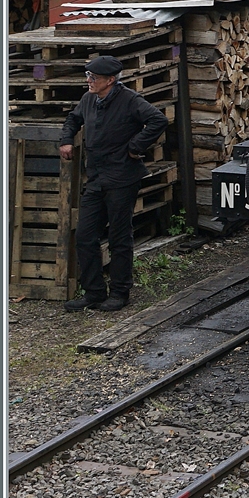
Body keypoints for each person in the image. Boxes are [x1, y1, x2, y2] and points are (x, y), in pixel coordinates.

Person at [58, 55, 169, 312]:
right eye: (88, 76)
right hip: (96, 178)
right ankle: (94, 292)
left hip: (122, 178)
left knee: (119, 237)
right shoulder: (89, 99)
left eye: (93, 77)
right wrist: (66, 140)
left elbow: (158, 120)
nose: (89, 81)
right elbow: (73, 119)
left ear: (110, 80)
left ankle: (120, 292)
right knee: (85, 235)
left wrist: (135, 146)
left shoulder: (130, 100)